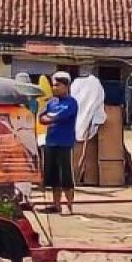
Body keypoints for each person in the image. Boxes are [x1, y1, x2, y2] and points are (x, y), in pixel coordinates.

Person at [39, 72, 78, 215]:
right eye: (53, 85)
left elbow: (59, 117)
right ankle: (56, 205)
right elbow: (41, 117)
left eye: (57, 85)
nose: (54, 88)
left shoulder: (71, 103)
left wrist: (50, 118)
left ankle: (69, 205)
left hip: (64, 143)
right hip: (50, 142)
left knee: (66, 176)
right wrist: (50, 118)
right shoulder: (51, 102)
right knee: (53, 177)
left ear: (66, 86)